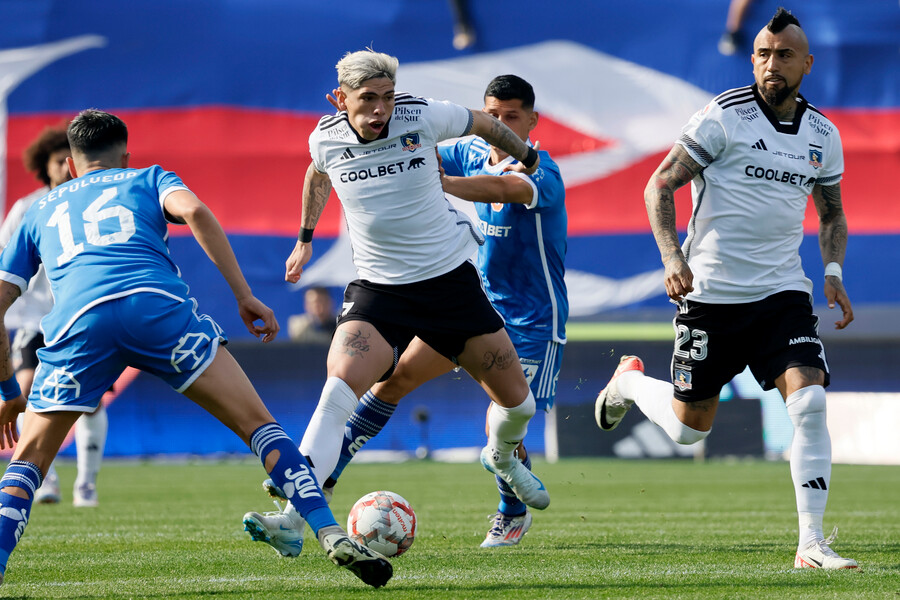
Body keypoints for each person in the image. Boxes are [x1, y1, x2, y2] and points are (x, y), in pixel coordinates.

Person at [0, 109, 392, 588]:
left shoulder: (37, 208)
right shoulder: (147, 177)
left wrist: (6, 390)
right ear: (125, 156)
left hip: (81, 323)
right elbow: (195, 212)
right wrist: (244, 295)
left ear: (73, 163)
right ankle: (329, 531)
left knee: (29, 461)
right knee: (259, 426)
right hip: (157, 310)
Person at [242, 51, 549, 557]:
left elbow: (481, 123)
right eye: (367, 99)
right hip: (378, 293)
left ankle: (501, 456)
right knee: (336, 393)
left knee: (519, 404)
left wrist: (526, 153)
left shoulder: (422, 115)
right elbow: (318, 173)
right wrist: (305, 238)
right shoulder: (325, 137)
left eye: (387, 96)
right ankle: (293, 522)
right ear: (339, 99)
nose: (380, 109)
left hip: (451, 287)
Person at [594, 8, 857, 570]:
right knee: (691, 433)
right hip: (711, 295)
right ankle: (631, 386)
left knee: (809, 402)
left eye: (783, 54)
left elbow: (831, 215)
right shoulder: (724, 116)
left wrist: (832, 275)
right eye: (762, 53)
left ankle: (811, 543)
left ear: (806, 63)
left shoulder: (822, 135)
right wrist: (671, 256)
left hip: (782, 294)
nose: (770, 64)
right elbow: (660, 184)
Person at [0, 126, 108, 507]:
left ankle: (87, 483)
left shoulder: (91, 203)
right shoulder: (27, 208)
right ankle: (45, 479)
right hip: (34, 320)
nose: (66, 166)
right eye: (58, 160)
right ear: (44, 167)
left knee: (90, 400)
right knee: (30, 392)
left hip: (79, 316)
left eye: (71, 158)